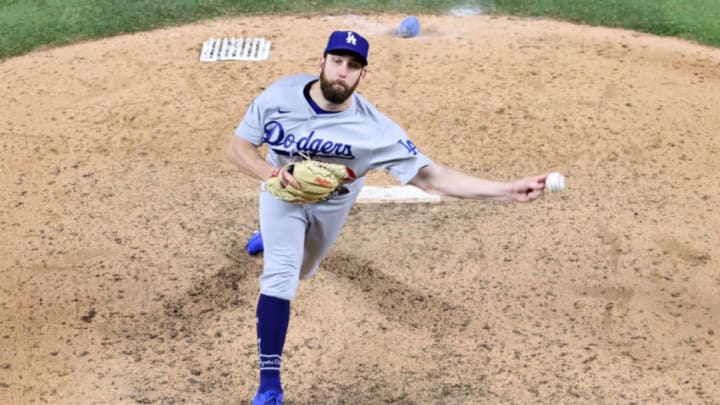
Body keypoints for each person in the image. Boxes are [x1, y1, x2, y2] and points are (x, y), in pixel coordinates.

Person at [227, 30, 549, 405]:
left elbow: (432, 178)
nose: (341, 72)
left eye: (352, 66)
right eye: (336, 62)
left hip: (333, 204)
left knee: (303, 267)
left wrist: (507, 190)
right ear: (321, 62)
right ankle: (269, 386)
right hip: (281, 194)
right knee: (281, 274)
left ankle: (279, 239)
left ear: (363, 75)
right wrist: (272, 176)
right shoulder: (279, 96)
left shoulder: (375, 130)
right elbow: (238, 148)